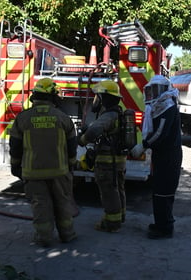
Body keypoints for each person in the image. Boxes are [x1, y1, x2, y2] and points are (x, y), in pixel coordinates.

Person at [9, 77, 78, 247]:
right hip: (60, 172)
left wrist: (15, 166)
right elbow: (72, 146)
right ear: (53, 97)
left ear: (35, 96)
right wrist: (71, 165)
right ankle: (67, 235)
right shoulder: (63, 118)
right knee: (63, 203)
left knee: (41, 206)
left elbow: (15, 146)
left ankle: (44, 238)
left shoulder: (23, 118)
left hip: (33, 173)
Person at [131, 75, 182, 239]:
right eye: (150, 90)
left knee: (164, 192)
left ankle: (165, 228)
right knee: (159, 191)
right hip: (162, 154)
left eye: (155, 90)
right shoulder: (161, 106)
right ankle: (160, 223)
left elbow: (160, 133)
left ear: (164, 90)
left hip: (169, 156)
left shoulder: (168, 106)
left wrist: (143, 145)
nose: (152, 94)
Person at [78, 80, 126, 233]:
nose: (95, 100)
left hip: (107, 161)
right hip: (118, 160)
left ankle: (111, 223)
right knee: (118, 188)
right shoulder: (118, 112)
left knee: (108, 191)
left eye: (98, 96)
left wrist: (82, 139)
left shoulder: (109, 115)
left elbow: (94, 132)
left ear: (104, 98)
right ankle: (120, 216)